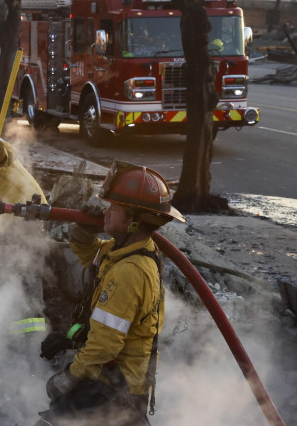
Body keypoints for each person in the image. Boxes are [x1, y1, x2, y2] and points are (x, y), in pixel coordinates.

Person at [37, 160, 185, 425]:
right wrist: (85, 231)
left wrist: (71, 377)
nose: (105, 212)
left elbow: (105, 345)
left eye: (113, 208)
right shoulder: (123, 251)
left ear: (133, 222)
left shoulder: (130, 271)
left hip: (114, 392)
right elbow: (90, 255)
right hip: (110, 382)